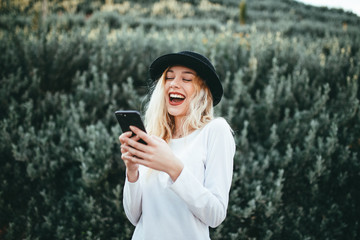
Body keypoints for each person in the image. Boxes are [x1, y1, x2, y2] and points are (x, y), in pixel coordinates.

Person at [118, 51, 235, 240]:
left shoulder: (215, 130)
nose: (173, 83)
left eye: (187, 79)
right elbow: (134, 217)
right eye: (169, 77)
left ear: (203, 90)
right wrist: (132, 171)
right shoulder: (154, 138)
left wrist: (173, 167)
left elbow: (215, 215)